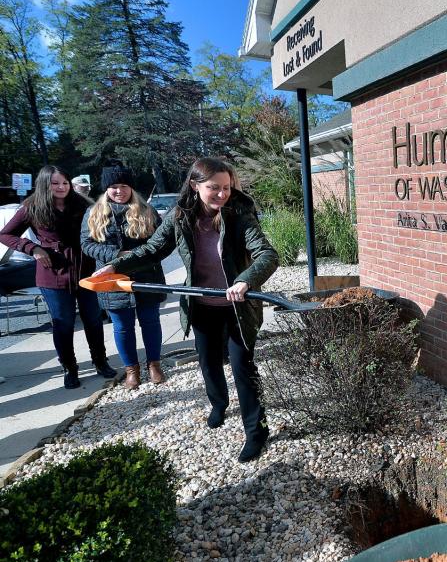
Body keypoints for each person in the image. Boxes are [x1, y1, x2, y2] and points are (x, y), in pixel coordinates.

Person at [94, 157, 278, 462]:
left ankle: (256, 431)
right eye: (213, 188)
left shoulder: (239, 214)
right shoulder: (180, 216)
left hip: (237, 307)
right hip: (201, 304)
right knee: (208, 363)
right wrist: (115, 265)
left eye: (226, 188)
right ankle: (219, 404)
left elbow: (266, 254)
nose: (222, 194)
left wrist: (245, 280)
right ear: (194, 186)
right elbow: (152, 249)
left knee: (243, 368)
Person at [0, 165, 117, 389]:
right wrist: (32, 248)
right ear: (45, 184)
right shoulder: (31, 207)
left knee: (93, 318)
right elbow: (5, 234)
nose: (61, 187)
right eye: (55, 183)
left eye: (64, 182)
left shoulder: (82, 203)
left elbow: (103, 225)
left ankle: (100, 361)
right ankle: (69, 367)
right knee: (63, 323)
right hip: (52, 273)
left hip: (85, 269)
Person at [81, 165, 166, 390]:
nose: (119, 190)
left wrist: (137, 257)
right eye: (113, 187)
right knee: (122, 327)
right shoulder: (93, 213)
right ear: (106, 188)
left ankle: (154, 364)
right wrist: (116, 255)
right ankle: (131, 369)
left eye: (123, 186)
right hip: (112, 280)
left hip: (147, 276)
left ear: (131, 187)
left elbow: (159, 242)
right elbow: (86, 244)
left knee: (150, 322)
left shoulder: (147, 210)